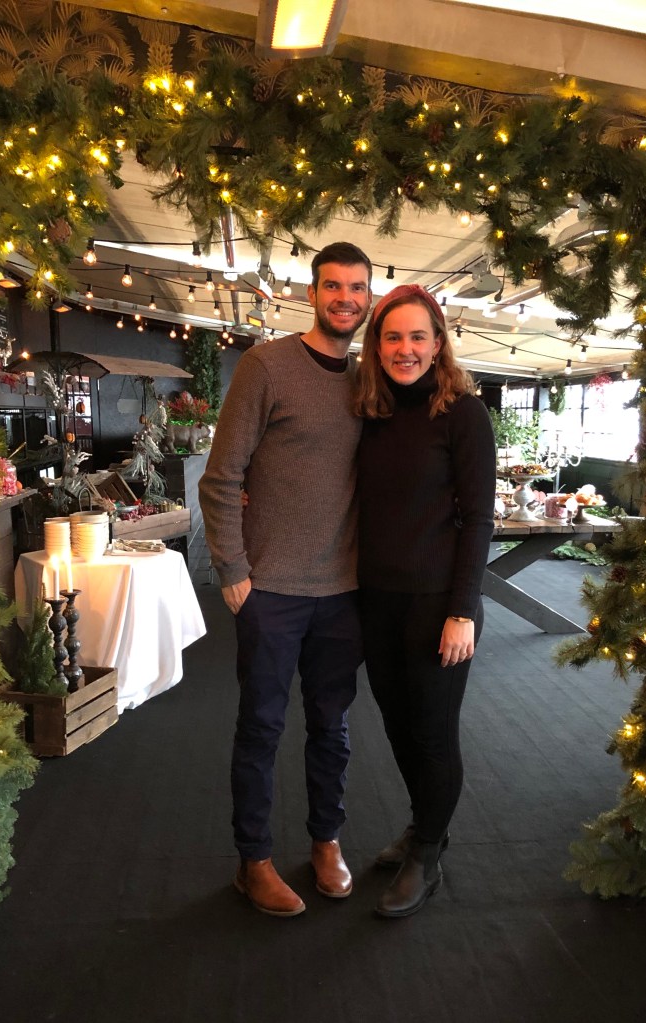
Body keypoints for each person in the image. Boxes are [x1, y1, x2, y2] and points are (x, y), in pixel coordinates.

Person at [198, 242, 372, 917]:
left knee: (332, 727)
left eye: (356, 288)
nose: (345, 299)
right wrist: (233, 571)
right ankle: (254, 861)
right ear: (310, 293)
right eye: (333, 286)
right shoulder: (266, 365)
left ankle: (326, 842)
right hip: (269, 590)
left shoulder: (368, 381)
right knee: (261, 729)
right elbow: (221, 476)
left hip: (344, 592)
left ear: (367, 298)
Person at [354, 283, 496, 918]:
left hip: (440, 605)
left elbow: (479, 520)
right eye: (392, 337)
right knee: (397, 725)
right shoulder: (372, 411)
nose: (405, 349)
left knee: (433, 734)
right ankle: (423, 825)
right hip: (377, 601)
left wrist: (462, 611)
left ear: (438, 343)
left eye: (417, 336)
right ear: (376, 345)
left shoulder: (464, 414)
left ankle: (428, 853)